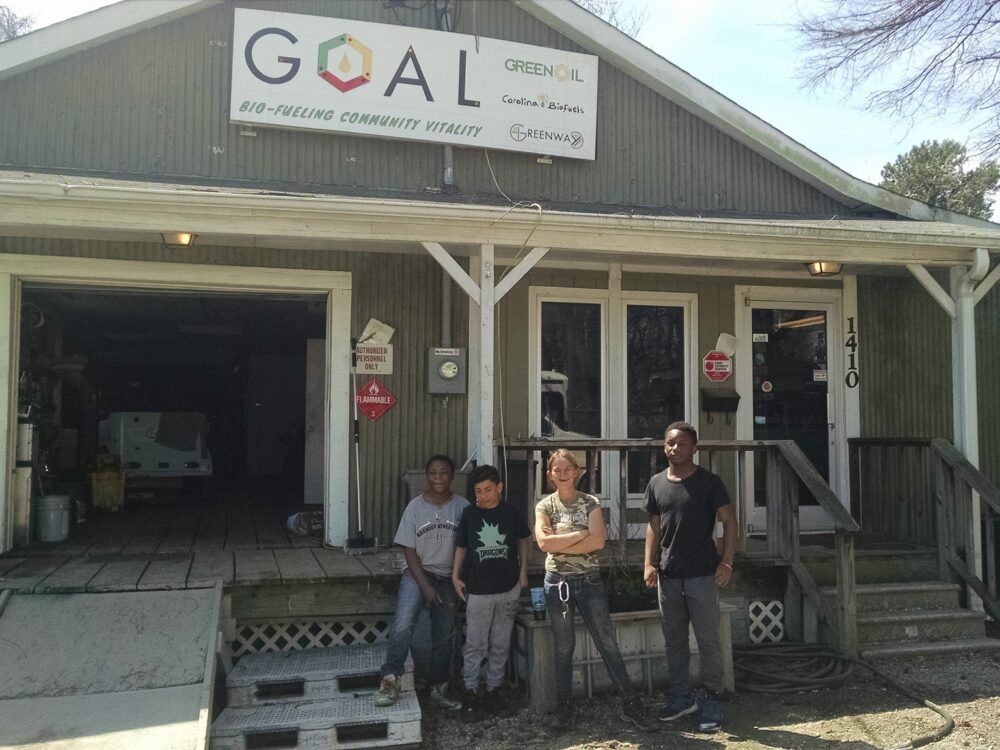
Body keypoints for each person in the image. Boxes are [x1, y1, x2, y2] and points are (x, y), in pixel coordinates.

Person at [535, 449, 657, 732]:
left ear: (577, 472)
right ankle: (564, 708)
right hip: (557, 583)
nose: (563, 474)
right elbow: (544, 544)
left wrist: (562, 541)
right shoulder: (544, 506)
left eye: (568, 469)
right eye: (557, 470)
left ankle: (631, 704)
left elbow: (598, 542)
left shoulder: (590, 502)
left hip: (589, 581)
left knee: (606, 642)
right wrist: (581, 534)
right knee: (564, 647)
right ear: (549, 475)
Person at [643, 421, 736, 733]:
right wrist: (648, 564)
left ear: (694, 449)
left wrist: (727, 563)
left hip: (702, 574)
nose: (675, 448)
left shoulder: (709, 483)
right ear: (664, 447)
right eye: (670, 443)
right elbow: (653, 527)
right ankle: (681, 698)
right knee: (674, 641)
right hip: (668, 575)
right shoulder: (656, 483)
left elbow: (730, 522)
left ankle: (712, 699)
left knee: (708, 639)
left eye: (682, 444)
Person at [375, 454, 468, 710]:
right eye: (433, 472)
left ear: (452, 476)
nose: (438, 477)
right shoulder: (415, 507)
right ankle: (390, 679)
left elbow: (468, 547)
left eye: (444, 472)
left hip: (449, 577)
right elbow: (408, 550)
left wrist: (460, 579)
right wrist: (425, 586)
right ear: (427, 476)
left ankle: (438, 687)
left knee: (445, 634)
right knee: (403, 624)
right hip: (419, 573)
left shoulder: (462, 507)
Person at [451, 464, 530, 722]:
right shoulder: (470, 514)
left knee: (500, 642)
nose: (483, 496)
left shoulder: (511, 512)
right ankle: (471, 692)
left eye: (487, 490)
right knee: (476, 644)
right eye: (478, 491)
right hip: (478, 590)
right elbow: (462, 545)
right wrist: (455, 575)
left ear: (499, 488)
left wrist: (523, 572)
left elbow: (523, 540)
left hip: (508, 588)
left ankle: (494, 689)